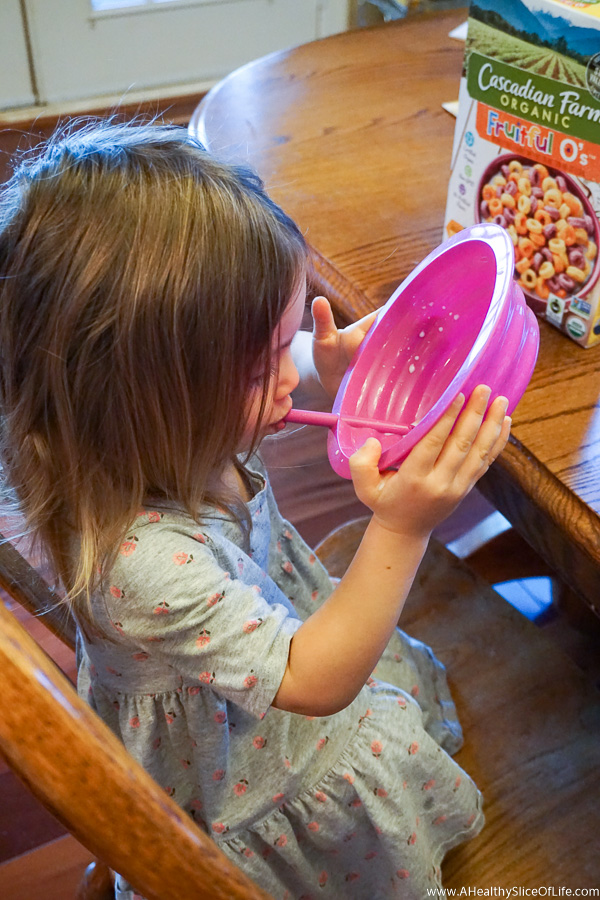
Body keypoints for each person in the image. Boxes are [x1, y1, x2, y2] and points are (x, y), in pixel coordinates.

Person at [0, 121, 510, 900]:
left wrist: (321, 363)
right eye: (265, 361)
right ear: (150, 398)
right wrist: (401, 528)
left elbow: (246, 379)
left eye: (287, 339)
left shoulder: (145, 433)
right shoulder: (139, 566)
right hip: (250, 762)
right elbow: (315, 678)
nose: (289, 372)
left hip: (261, 651)